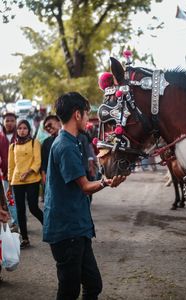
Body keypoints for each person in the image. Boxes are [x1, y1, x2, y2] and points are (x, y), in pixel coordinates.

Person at [43, 92, 126, 300]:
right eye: (87, 114)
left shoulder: (73, 141)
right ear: (77, 114)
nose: (89, 118)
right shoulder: (65, 146)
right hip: (67, 231)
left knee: (93, 285)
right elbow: (85, 187)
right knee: (69, 291)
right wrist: (106, 182)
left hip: (77, 229)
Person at [7, 119, 43, 249]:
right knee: (20, 211)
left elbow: (37, 161)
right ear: (17, 130)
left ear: (29, 130)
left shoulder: (35, 143)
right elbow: (11, 166)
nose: (22, 131)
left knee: (33, 207)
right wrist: (10, 185)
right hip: (17, 181)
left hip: (32, 179)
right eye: (20, 128)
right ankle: (25, 239)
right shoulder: (13, 146)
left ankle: (49, 228)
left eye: (25, 128)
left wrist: (27, 172)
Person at [0, 112, 18, 232]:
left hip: (20, 175)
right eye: (7, 120)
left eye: (12, 120)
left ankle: (20, 221)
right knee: (10, 199)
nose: (9, 123)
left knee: (20, 200)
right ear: (3, 122)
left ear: (15, 122)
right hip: (6, 174)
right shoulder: (1, 137)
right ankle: (16, 223)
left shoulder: (20, 135)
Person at [41, 115, 61, 185]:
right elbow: (44, 161)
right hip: (52, 177)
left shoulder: (69, 137)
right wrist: (43, 175)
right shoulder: (46, 142)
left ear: (59, 123)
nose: (48, 128)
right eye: (46, 127)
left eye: (50, 124)